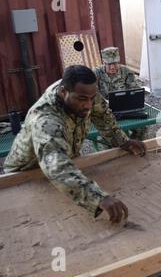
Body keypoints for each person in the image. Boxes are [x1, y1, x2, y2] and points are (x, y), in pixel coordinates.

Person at [3, 65, 146, 223]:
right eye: (83, 99)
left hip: (64, 163)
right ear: (63, 92)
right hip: (26, 174)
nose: (89, 105)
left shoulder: (84, 92)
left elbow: (103, 116)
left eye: (92, 98)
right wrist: (98, 198)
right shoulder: (45, 118)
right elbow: (55, 165)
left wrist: (123, 141)